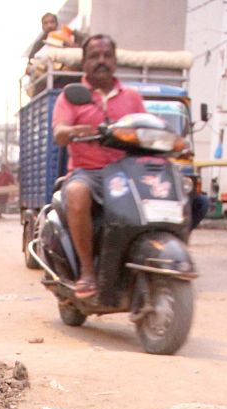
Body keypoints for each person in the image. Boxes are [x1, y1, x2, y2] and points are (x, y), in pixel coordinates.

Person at [52, 34, 146, 298]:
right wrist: (71, 131)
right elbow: (59, 132)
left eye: (106, 55)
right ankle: (87, 272)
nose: (101, 61)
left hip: (126, 171)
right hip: (87, 172)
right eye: (94, 56)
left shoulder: (132, 97)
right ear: (84, 62)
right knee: (76, 193)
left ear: (115, 61)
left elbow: (146, 128)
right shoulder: (71, 97)